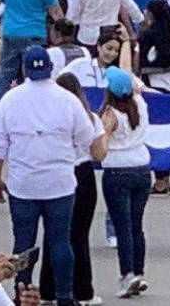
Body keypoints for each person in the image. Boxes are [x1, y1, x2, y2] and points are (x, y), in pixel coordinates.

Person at [0, 46, 95, 306]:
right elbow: (87, 138)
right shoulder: (67, 99)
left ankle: (22, 292)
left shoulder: (10, 99)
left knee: (23, 243)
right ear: (50, 67)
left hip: (23, 184)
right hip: (59, 183)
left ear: (24, 68)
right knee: (60, 240)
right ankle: (65, 296)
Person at [38, 72, 106, 306]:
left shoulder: (50, 117)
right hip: (83, 173)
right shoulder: (91, 118)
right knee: (79, 235)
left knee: (53, 234)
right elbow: (99, 153)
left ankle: (48, 290)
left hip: (56, 172)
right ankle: (83, 291)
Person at [97, 65, 151, 298]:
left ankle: (126, 273)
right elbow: (137, 87)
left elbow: (102, 143)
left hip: (117, 171)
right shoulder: (140, 105)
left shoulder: (110, 115)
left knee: (122, 225)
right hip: (141, 168)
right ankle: (138, 270)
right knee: (136, 224)